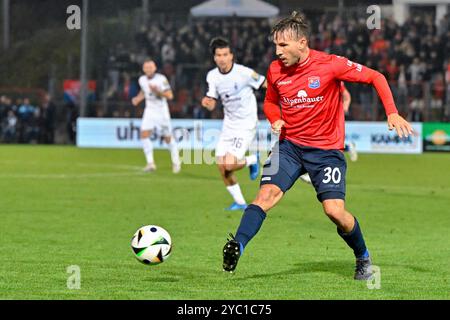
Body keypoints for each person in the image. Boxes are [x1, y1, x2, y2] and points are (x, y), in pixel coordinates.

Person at [222, 12, 413, 280]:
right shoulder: (275, 70)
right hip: (289, 147)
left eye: (283, 45)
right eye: (275, 45)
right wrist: (275, 119)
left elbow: (376, 77)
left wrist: (391, 112)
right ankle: (237, 246)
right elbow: (270, 102)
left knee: (334, 211)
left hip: (326, 152)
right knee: (266, 196)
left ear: (302, 43)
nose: (277, 52)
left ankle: (363, 257)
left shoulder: (330, 64)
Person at [201, 37, 267, 211]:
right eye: (219, 55)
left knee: (230, 163)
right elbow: (213, 101)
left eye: (225, 54)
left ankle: (253, 159)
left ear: (231, 56)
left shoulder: (244, 73)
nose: (222, 58)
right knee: (222, 166)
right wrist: (208, 103)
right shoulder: (212, 76)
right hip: (229, 124)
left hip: (246, 123)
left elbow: (265, 83)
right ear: (214, 58)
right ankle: (240, 202)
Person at [300, 82, 357, 184]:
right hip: (320, 116)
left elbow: (347, 96)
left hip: (330, 117)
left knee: (322, 143)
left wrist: (345, 108)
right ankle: (348, 147)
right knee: (324, 143)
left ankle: (312, 172)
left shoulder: (334, 79)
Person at [132, 58, 181, 174]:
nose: (148, 69)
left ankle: (176, 162)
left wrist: (157, 92)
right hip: (149, 110)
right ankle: (150, 163)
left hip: (161, 112)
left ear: (154, 68)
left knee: (167, 138)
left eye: (150, 67)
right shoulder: (142, 80)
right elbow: (144, 91)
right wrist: (138, 99)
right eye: (146, 67)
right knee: (144, 134)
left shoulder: (161, 79)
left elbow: (170, 96)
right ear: (144, 69)